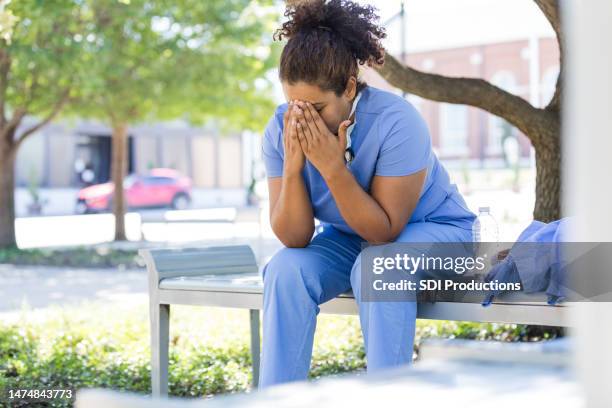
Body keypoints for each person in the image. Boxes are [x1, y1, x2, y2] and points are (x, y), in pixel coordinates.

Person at [259, 0, 476, 387]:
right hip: (352, 240)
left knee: (378, 266)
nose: (303, 119)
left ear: (348, 87)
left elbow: (384, 231)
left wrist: (331, 167)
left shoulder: (397, 121)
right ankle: (278, 397)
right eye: (295, 106)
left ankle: (388, 394)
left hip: (437, 231)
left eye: (317, 107)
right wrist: (293, 166)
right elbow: (294, 237)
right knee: (284, 270)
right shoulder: (280, 128)